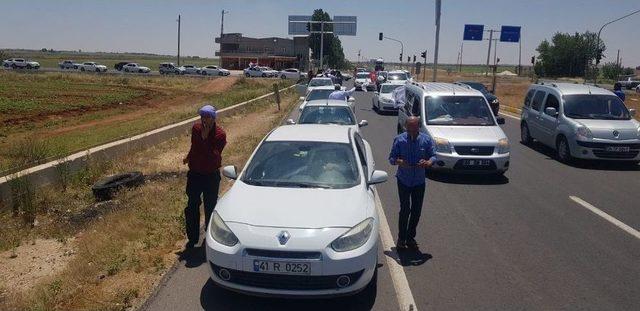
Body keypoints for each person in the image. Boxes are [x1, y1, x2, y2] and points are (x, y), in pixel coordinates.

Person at [388, 116, 436, 249]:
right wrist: (399, 161)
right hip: (403, 180)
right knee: (405, 210)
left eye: (414, 127)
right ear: (405, 126)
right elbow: (391, 158)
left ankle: (410, 238)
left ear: (418, 127)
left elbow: (433, 155)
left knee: (416, 211)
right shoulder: (399, 140)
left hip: (419, 182)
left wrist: (428, 162)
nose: (412, 129)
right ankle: (401, 239)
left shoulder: (426, 140)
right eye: (409, 127)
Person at [182, 105, 227, 248]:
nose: (204, 120)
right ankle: (192, 237)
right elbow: (194, 146)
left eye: (208, 117)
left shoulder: (220, 134)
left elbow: (214, 156)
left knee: (210, 206)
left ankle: (209, 237)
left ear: (214, 118)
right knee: (192, 205)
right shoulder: (196, 129)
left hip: (210, 176)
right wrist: (189, 156)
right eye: (202, 116)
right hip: (195, 174)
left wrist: (206, 138)